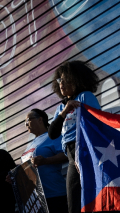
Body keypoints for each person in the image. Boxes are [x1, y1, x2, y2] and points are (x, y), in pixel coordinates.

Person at [48, 60, 101, 213]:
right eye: (59, 80)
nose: (61, 83)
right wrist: (64, 112)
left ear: (77, 79)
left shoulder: (85, 96)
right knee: (74, 202)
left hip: (86, 151)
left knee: (93, 198)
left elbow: (96, 123)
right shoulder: (60, 108)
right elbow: (52, 134)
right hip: (71, 156)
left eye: (65, 79)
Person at [22, 108, 68, 213]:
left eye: (28, 120)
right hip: (35, 200)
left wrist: (45, 161)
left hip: (54, 195)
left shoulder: (53, 136)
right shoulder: (30, 144)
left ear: (40, 119)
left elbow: (66, 155)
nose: (26, 124)